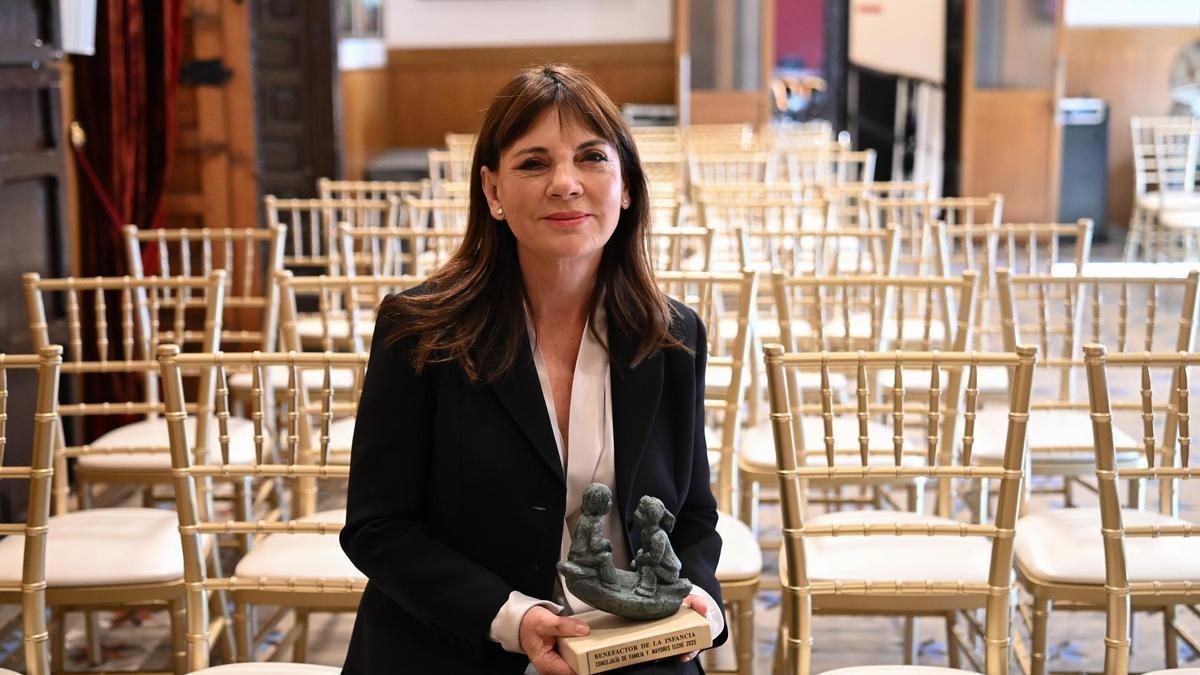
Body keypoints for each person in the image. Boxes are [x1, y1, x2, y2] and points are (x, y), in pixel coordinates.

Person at [340, 64, 726, 674]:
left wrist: (698, 599)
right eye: (533, 163)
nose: (565, 184)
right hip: (458, 648)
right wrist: (510, 618)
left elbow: (695, 514)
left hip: (634, 650)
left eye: (592, 157)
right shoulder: (420, 330)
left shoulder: (672, 334)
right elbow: (378, 527)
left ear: (626, 185)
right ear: (492, 190)